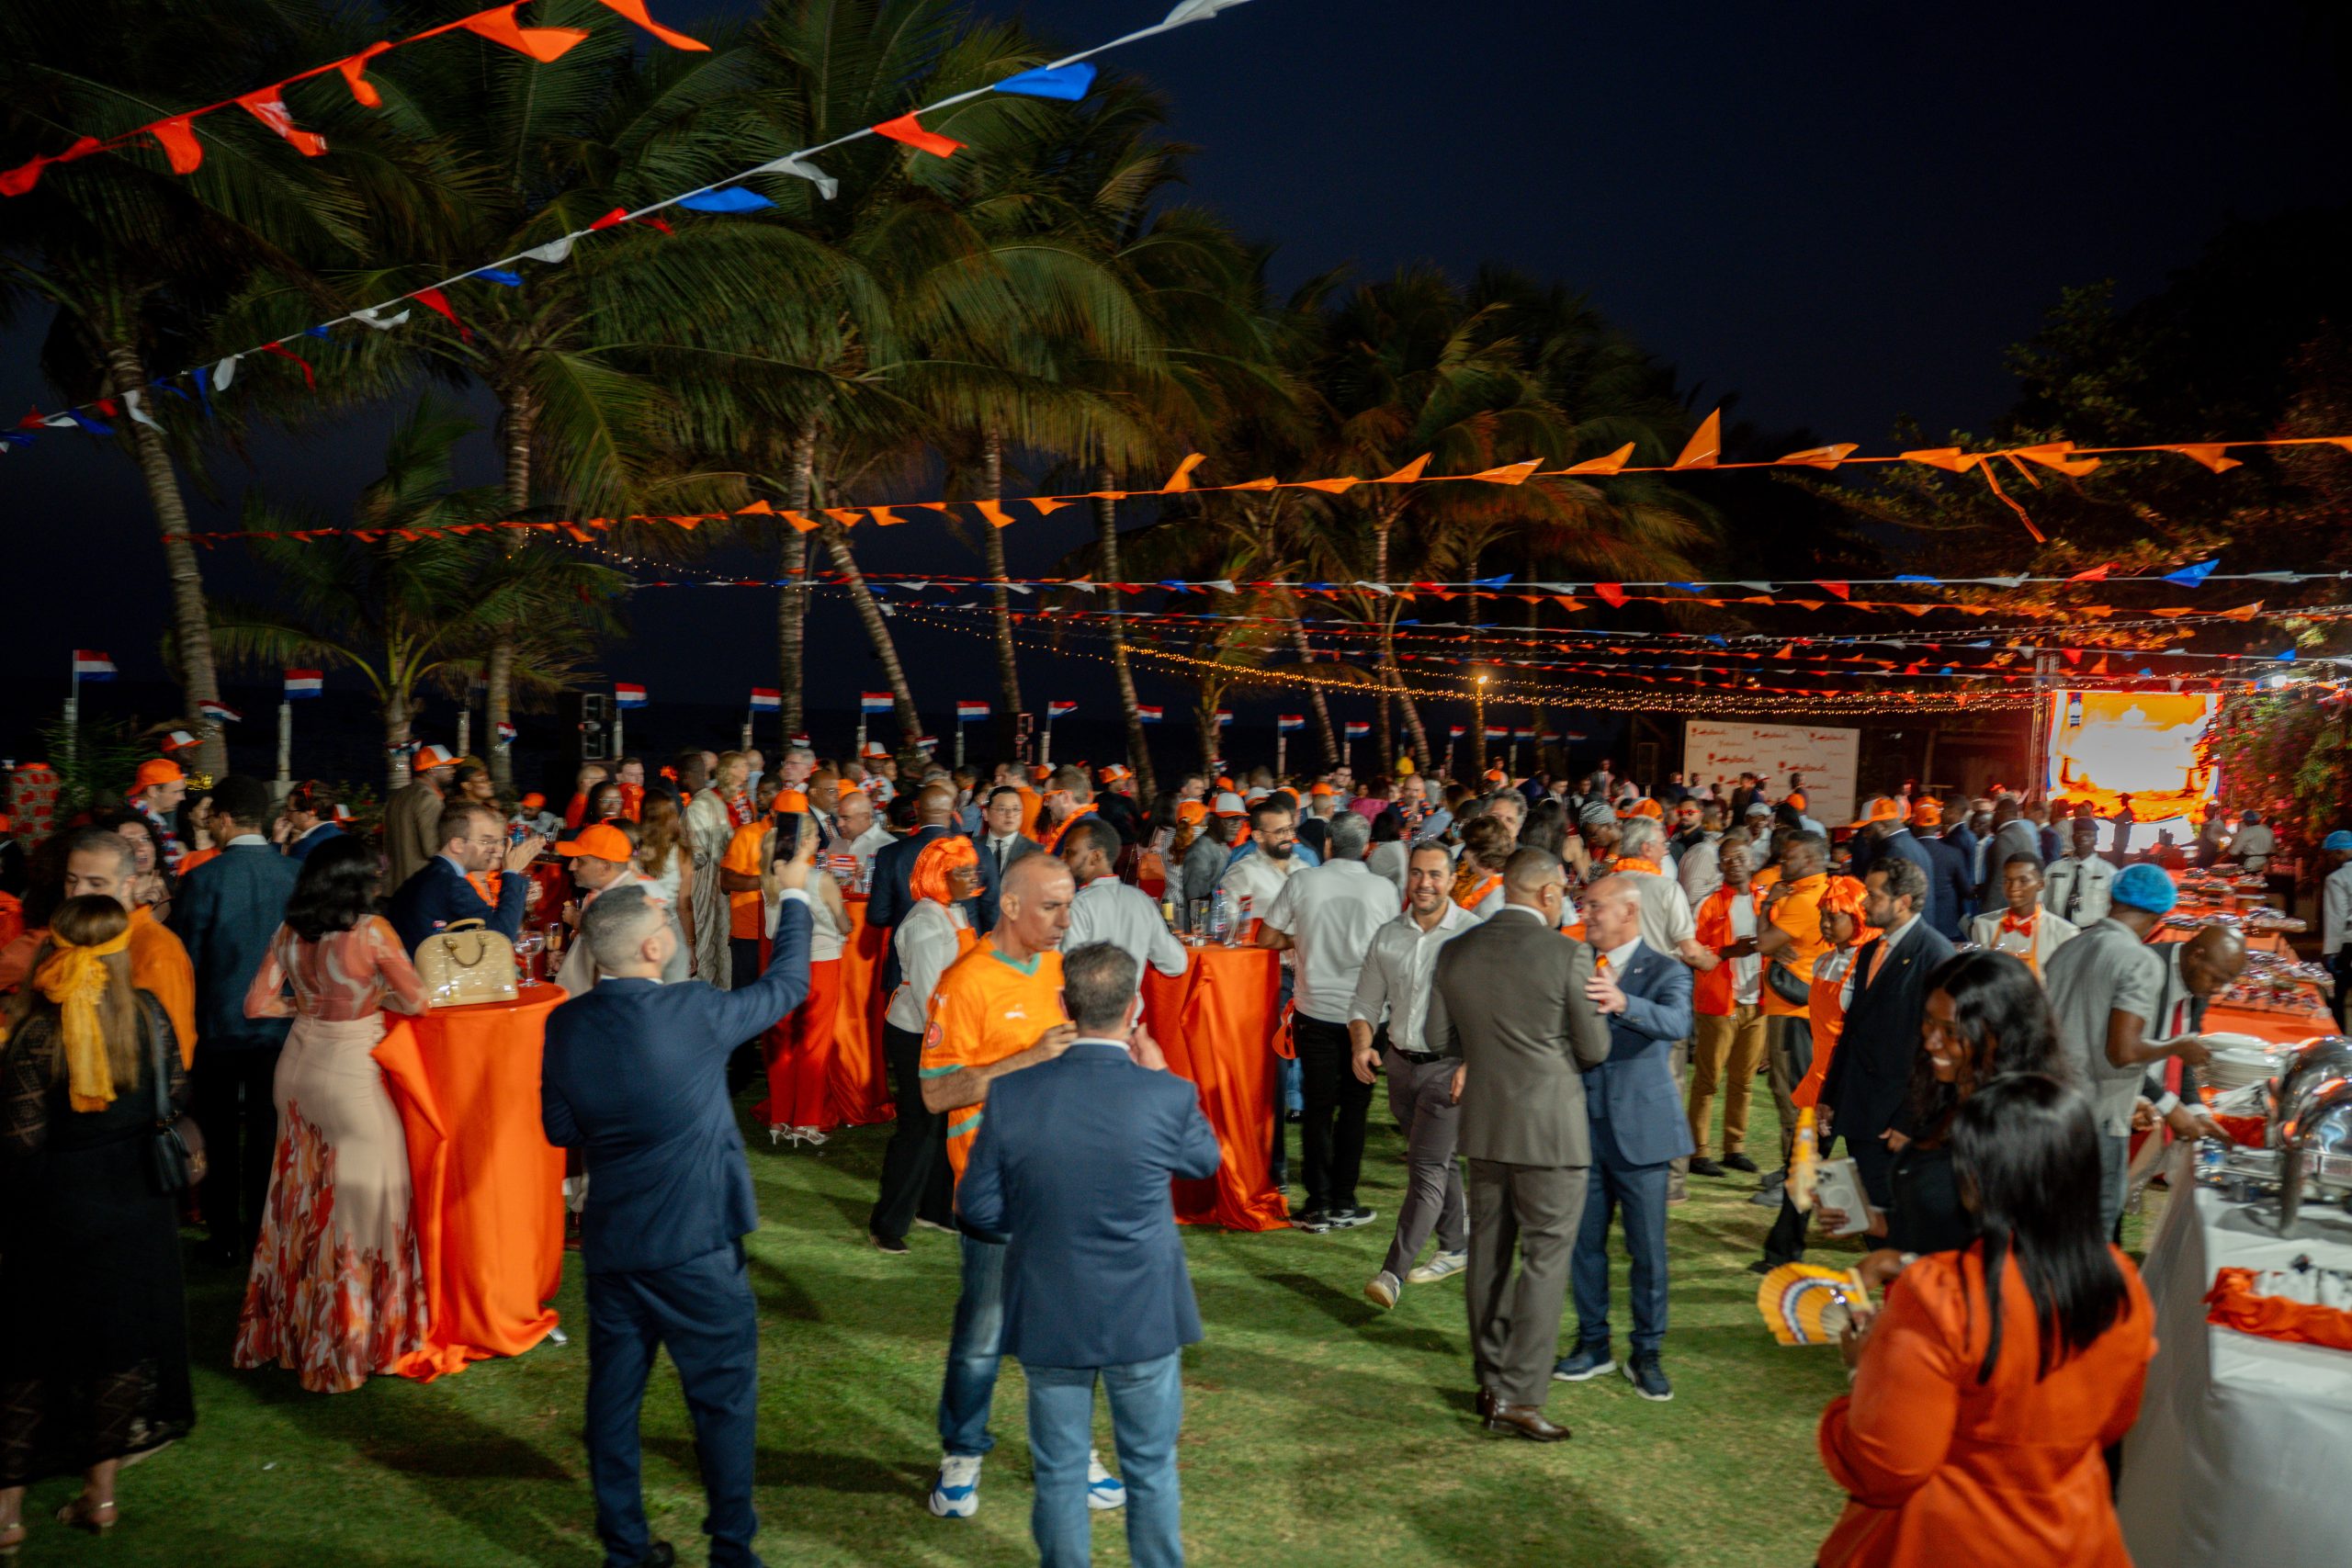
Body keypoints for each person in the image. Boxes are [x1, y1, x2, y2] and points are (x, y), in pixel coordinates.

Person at [540, 844, 815, 1568]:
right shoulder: (692, 1009)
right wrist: (794, 895)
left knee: (614, 1402)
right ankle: (732, 1550)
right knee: (722, 1400)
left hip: (614, 1244)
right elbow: (788, 985)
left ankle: (626, 1550)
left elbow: (560, 1130)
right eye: (667, 916)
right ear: (654, 944)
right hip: (696, 1247)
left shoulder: (563, 1025)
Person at [1815, 1074, 2154, 1568]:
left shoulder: (1941, 1296)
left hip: (1943, 1539)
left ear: (1973, 1182)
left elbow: (1887, 1466)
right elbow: (2113, 1423)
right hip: (2072, 1538)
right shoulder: (2121, 1284)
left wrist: (1860, 1370)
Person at [956, 943, 1219, 1568]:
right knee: (1151, 1468)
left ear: (1062, 1004)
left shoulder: (1014, 1095)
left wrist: (1041, 1226)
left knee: (1061, 1471)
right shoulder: (1165, 1095)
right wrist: (1158, 1073)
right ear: (1135, 1007)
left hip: (1052, 1303)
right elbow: (1205, 1161)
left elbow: (979, 1206)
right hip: (1144, 1312)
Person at [920, 855, 1128, 1522]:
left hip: (1064, 1185)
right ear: (1009, 906)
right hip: (996, 1189)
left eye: (1070, 907)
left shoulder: (1064, 972)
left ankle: (1073, 1453)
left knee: (1070, 1329)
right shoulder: (965, 981)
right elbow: (934, 1092)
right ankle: (962, 1452)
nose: (1067, 920)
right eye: (1052, 907)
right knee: (983, 1333)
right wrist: (1029, 1058)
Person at [0, 897, 195, 1550]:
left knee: (26, 1354)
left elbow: (20, 1141)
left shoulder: (34, 1032)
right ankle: (100, 1496)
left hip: (54, 1209)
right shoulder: (148, 1014)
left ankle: (7, 1512)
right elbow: (177, 1091)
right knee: (118, 1349)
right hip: (136, 1202)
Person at [1424, 848, 1611, 1441]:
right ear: (1550, 894)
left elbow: (1435, 1034)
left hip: (1485, 1125)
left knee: (1488, 1256)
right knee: (1544, 1263)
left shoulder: (1455, 949)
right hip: (1552, 1131)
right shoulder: (1568, 953)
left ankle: (1489, 1379)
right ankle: (1520, 1395)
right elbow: (1595, 1048)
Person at [232, 836, 430, 1392]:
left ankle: (290, 1332)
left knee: (300, 1203)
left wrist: (307, 1004)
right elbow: (418, 1000)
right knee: (368, 1205)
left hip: (295, 1067)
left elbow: (256, 1005)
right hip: (348, 1075)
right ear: (354, 880)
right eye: (373, 874)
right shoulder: (372, 932)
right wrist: (372, 1000)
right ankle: (352, 1344)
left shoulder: (290, 933)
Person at [1815, 951, 2070, 1270]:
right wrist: (1871, 1220)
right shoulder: (1942, 1099)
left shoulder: (2033, 1126)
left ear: (2001, 1034)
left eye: (1951, 1031)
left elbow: (2008, 1267)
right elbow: (1937, 1228)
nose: (1932, 1041)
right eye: (1928, 1022)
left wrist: (1895, 1264)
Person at [1553, 875, 1694, 1401]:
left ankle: (1647, 1352)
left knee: (1647, 1251)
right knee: (1583, 1246)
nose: (1586, 914)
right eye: (1584, 905)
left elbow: (1678, 1022)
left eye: (1596, 906)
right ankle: (1593, 1343)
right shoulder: (1572, 961)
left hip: (1642, 1133)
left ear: (1629, 912)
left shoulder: (1665, 970)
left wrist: (1622, 1002)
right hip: (1580, 1131)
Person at [1776, 859, 1955, 1268]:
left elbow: (1937, 1049)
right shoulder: (1873, 949)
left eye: (1875, 895)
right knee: (1871, 1210)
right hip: (1859, 1104)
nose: (1867, 903)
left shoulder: (1935, 954)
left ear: (1903, 901)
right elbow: (1851, 1032)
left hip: (1896, 1115)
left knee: (1893, 1214)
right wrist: (1830, 1095)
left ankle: (1915, 1301)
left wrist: (1910, 1120)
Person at [169, 775, 300, 1267]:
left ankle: (224, 1239)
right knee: (269, 1137)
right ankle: (266, 1239)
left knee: (220, 1138)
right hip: (279, 1029)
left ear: (223, 819)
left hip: (219, 1029)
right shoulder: (295, 874)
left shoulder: (203, 879)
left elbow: (187, 962)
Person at [2040, 862, 2211, 1239]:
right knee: (2095, 1232)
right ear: (2160, 915)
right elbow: (2123, 1050)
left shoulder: (2070, 947)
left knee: (2053, 1227)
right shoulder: (2140, 960)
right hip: (2097, 1116)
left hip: (2053, 1107)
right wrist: (2177, 1046)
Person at [1350, 842, 1477, 1309]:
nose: (1425, 883)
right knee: (1437, 1162)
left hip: (1450, 1070)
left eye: (1435, 875)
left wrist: (1472, 1064)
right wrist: (1362, 1044)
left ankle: (1392, 1274)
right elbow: (1365, 1003)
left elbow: (1491, 1012)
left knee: (1424, 1169)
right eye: (1418, 873)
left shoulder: (1472, 935)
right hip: (1400, 1068)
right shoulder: (1388, 935)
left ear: (1451, 879)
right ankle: (1457, 1245)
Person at [1259, 812, 1397, 1233]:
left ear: (1329, 844)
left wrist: (1300, 939)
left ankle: (1317, 1204)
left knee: (1319, 1109)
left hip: (1315, 1008)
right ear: (1367, 845)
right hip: (1369, 1014)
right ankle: (1343, 1200)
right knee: (1354, 1110)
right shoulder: (1385, 889)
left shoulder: (1304, 881)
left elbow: (1265, 937)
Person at [870, 837, 980, 1253]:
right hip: (920, 1034)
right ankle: (888, 1224)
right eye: (963, 871)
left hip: (942, 1032)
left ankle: (935, 1208)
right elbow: (931, 995)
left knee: (942, 1123)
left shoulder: (953, 912)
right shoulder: (925, 922)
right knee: (917, 1128)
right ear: (940, 875)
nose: (972, 878)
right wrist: (958, 1039)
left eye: (972, 870)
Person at [59, 829, 197, 1071]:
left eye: (95, 883)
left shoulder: (156, 948)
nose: (78, 892)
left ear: (127, 886)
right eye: (72, 880)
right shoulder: (64, 938)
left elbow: (177, 1050)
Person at [1754, 831, 1832, 1183]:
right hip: (1803, 1010)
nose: (1782, 863)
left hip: (1791, 1012)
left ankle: (1795, 1178)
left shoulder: (1803, 901)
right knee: (1794, 1093)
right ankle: (1792, 1170)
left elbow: (1764, 941)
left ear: (1813, 861)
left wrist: (1770, 905)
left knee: (1791, 1096)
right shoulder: (1817, 892)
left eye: (1790, 857)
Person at [1687, 836, 1767, 1179]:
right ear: (1719, 867)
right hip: (1720, 1004)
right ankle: (1698, 1151)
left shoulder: (1767, 903)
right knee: (1708, 1081)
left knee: (1744, 1081)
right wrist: (1728, 952)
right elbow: (1694, 954)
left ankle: (1735, 1148)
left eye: (1740, 857)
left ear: (1752, 863)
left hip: (1757, 1003)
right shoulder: (1709, 905)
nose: (1733, 862)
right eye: (1727, 859)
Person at [386, 801, 545, 955]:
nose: (498, 849)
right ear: (457, 845)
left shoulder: (430, 876)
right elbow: (500, 937)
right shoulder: (450, 883)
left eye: (499, 841)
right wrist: (511, 871)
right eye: (486, 841)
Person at [554, 823, 690, 991]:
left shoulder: (641, 898)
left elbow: (674, 960)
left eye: (580, 861)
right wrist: (573, 963)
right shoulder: (614, 895)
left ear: (605, 867)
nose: (571, 866)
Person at [1062, 819, 1186, 1004]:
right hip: (1127, 1021)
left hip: (1085, 1018)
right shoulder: (1141, 900)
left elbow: (1065, 970)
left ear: (1095, 856)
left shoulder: (1078, 905)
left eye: (1070, 852)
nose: (1063, 859)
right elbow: (1176, 963)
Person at [869, 784, 960, 995]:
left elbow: (877, 915)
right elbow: (989, 913)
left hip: (906, 963)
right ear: (952, 811)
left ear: (917, 811)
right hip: (960, 963)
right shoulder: (977, 853)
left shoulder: (890, 853)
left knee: (905, 1023)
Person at [679, 750, 736, 991]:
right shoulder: (716, 802)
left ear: (686, 777)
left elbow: (699, 855)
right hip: (720, 887)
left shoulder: (695, 808)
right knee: (718, 948)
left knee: (702, 949)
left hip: (702, 887)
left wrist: (671, 864)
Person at [1970, 853, 2078, 976]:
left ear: (2041, 884)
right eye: (2007, 880)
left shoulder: (2064, 933)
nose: (2013, 887)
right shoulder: (1983, 925)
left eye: (2023, 880)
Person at [634, 790, 698, 975]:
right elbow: (684, 904)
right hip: (668, 928)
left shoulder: (633, 848)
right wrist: (690, 945)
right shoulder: (680, 852)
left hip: (637, 928)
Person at [383, 745, 457, 890]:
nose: (453, 771)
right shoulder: (429, 798)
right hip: (419, 885)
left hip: (394, 885)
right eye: (447, 766)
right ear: (431, 770)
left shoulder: (397, 796)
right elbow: (432, 849)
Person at [971, 785, 1037, 933]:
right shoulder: (969, 848)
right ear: (986, 813)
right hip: (976, 935)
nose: (1010, 815)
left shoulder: (1035, 853)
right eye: (1002, 809)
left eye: (1016, 809)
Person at [2042, 818, 2115, 928]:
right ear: (2073, 837)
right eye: (2079, 833)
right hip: (2056, 930)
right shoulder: (2054, 869)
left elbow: (2115, 909)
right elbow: (2041, 901)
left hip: (2091, 933)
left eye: (2089, 835)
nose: (2083, 838)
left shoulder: (2108, 872)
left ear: (2096, 839)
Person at [126, 756, 190, 872]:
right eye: (176, 792)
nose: (182, 798)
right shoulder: (132, 821)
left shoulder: (153, 819)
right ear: (153, 791)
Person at [2323, 829, 2352, 1032]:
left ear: (2340, 852)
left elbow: (2336, 917)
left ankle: (2340, 1039)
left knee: (2338, 994)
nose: (2330, 860)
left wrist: (2330, 952)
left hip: (2348, 943)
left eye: (2331, 855)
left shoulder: (2337, 878)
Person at [278, 780, 344, 862]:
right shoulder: (348, 838)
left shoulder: (307, 846)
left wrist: (277, 844)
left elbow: (281, 873)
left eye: (289, 810)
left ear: (308, 814)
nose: (286, 815)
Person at [2228, 807, 2275, 874]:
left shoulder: (2246, 832)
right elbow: (2273, 850)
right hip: (2264, 865)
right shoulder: (2269, 831)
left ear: (2245, 820)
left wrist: (2228, 851)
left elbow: (2234, 852)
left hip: (2250, 865)